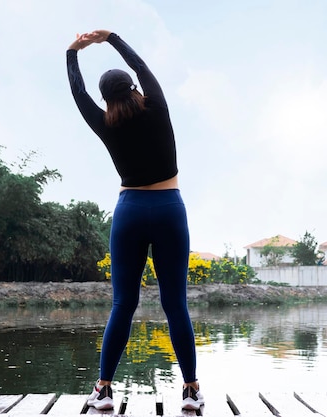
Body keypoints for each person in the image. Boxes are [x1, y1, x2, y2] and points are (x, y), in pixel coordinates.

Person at [66, 29, 204, 411]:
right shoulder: (157, 107)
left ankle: (104, 391)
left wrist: (71, 53)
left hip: (130, 213)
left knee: (122, 305)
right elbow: (140, 65)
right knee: (175, 304)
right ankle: (191, 392)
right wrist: (111, 38)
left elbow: (78, 93)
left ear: (106, 99)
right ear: (133, 88)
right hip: (169, 209)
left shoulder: (105, 124)